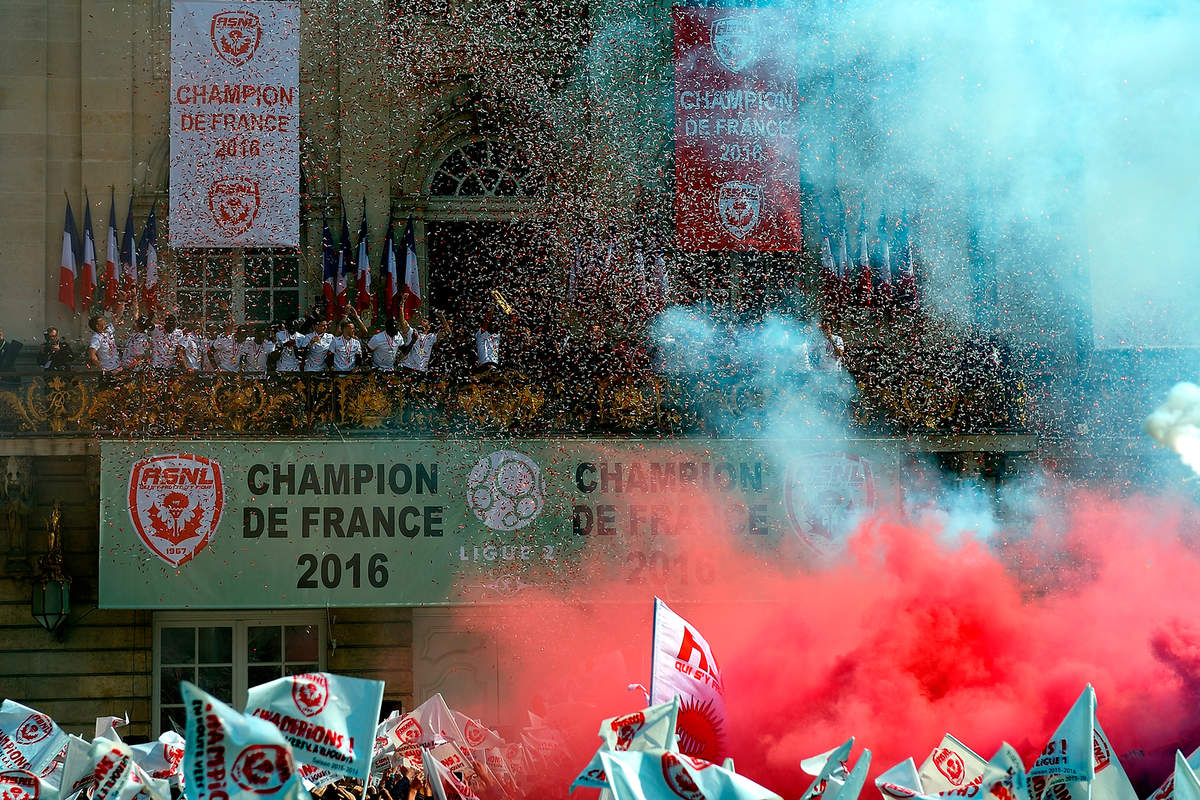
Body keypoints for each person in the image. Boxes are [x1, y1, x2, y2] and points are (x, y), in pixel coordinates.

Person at [398, 310, 450, 375]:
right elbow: (402, 321)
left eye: (424, 321)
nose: (421, 322)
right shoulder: (412, 332)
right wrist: (401, 306)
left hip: (422, 371)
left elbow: (448, 332)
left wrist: (442, 317)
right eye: (421, 320)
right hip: (407, 368)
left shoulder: (431, 337)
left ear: (429, 326)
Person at [474, 309, 500, 374]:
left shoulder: (497, 336)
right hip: (484, 365)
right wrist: (488, 317)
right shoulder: (481, 335)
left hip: (494, 366)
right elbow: (485, 326)